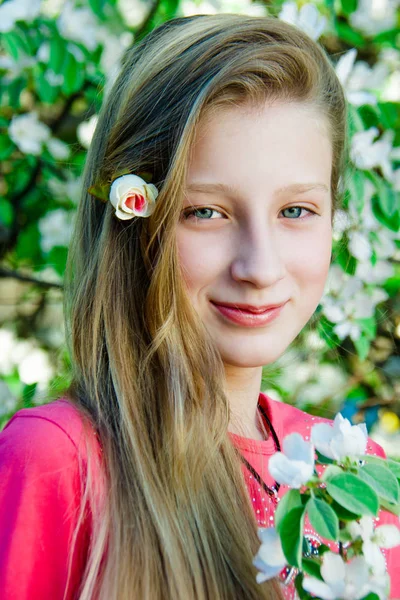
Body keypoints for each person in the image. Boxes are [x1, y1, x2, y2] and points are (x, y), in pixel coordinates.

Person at [0, 13, 398, 600]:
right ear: (134, 223)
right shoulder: (64, 463)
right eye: (205, 212)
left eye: (296, 211)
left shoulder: (351, 470)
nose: (260, 267)